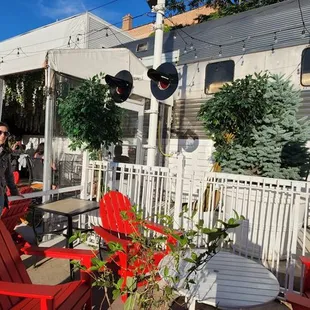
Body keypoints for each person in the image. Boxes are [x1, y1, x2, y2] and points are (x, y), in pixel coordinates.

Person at [0, 122, 23, 216]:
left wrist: (14, 191)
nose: (3, 136)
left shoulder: (6, 153)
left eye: (6, 133)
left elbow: (9, 175)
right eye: (0, 132)